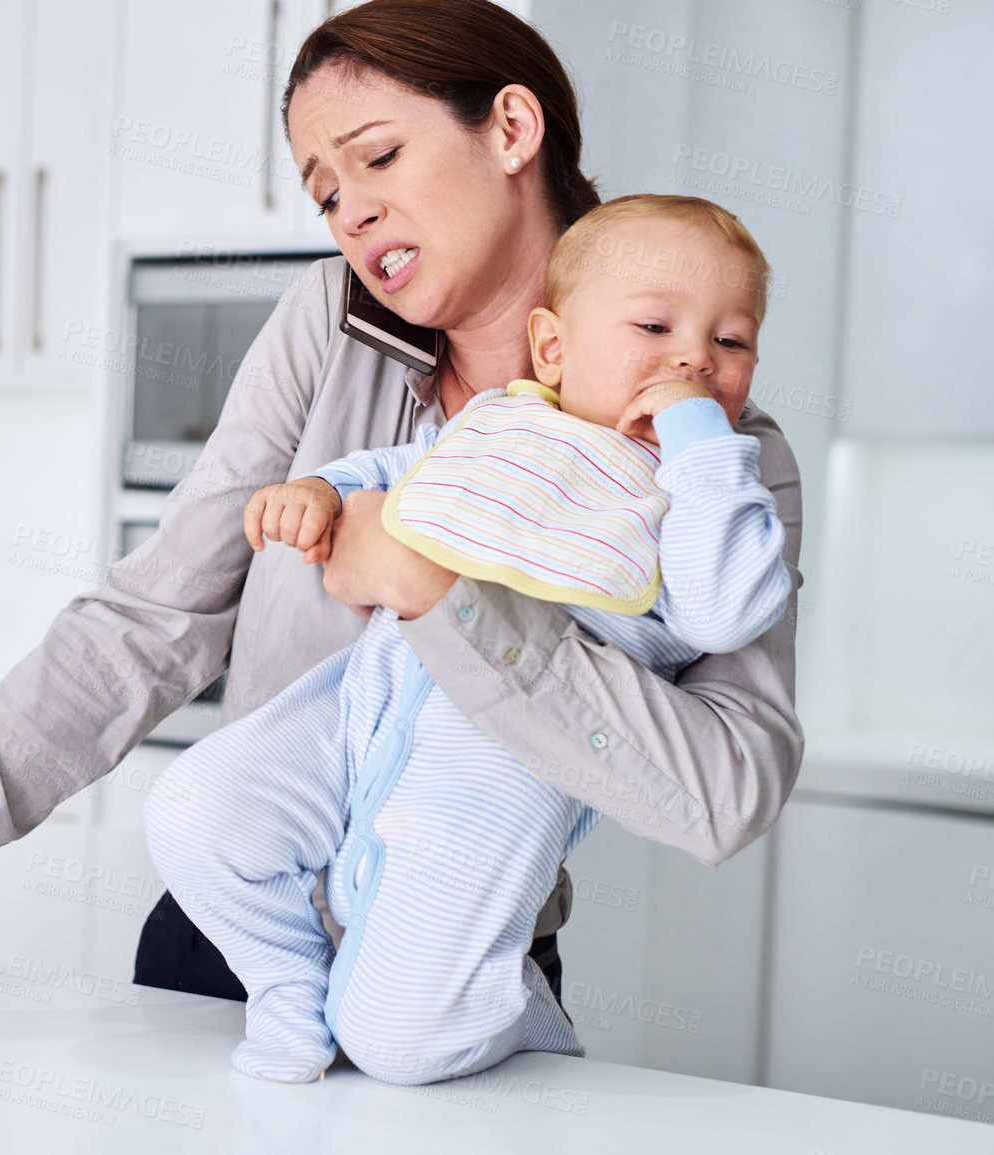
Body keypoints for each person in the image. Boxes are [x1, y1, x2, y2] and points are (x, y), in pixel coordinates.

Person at [0, 0, 804, 1022]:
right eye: (327, 190)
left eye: (379, 157)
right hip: (227, 951)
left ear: (511, 129)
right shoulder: (326, 325)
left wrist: (444, 599)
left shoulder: (721, 466)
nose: (350, 213)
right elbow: (144, 631)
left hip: (459, 980)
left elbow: (724, 789)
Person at [145, 194, 790, 1085]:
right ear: (554, 347)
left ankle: (519, 1009)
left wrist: (697, 443)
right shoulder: (506, 422)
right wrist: (325, 492)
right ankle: (286, 985)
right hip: (362, 699)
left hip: (499, 758)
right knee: (194, 807)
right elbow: (400, 475)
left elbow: (725, 608)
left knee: (397, 1045)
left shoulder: (702, 489)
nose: (692, 358)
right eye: (654, 326)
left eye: (732, 341)